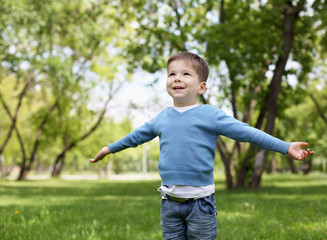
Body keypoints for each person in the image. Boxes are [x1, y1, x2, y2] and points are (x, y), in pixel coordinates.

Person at [90, 51, 314, 240]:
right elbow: (134, 137)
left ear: (201, 87)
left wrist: (285, 146)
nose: (177, 78)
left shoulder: (210, 115)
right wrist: (109, 148)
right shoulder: (161, 118)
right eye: (172, 74)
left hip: (200, 205)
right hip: (169, 205)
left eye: (186, 74)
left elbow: (248, 133)